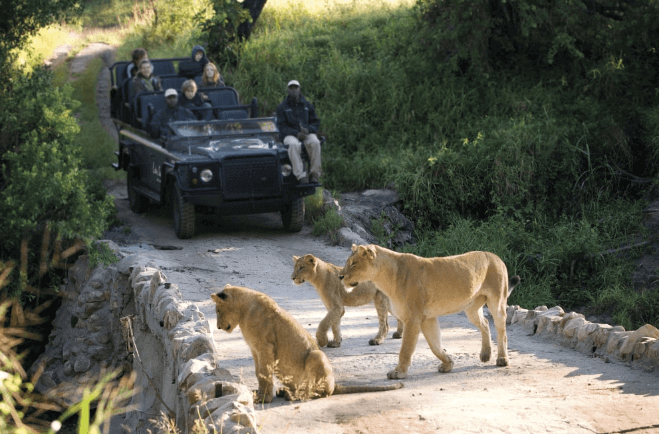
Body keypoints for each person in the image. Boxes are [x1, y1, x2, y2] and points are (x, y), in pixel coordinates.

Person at [276, 80, 321, 184]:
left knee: (315, 142)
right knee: (293, 145)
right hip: (290, 134)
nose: (293, 90)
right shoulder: (282, 107)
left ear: (299, 89)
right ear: (288, 90)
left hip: (306, 133)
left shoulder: (307, 105)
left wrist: (308, 129)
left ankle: (315, 174)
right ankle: (301, 176)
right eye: (291, 88)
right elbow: (282, 127)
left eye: (295, 88)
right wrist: (296, 133)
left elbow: (315, 122)